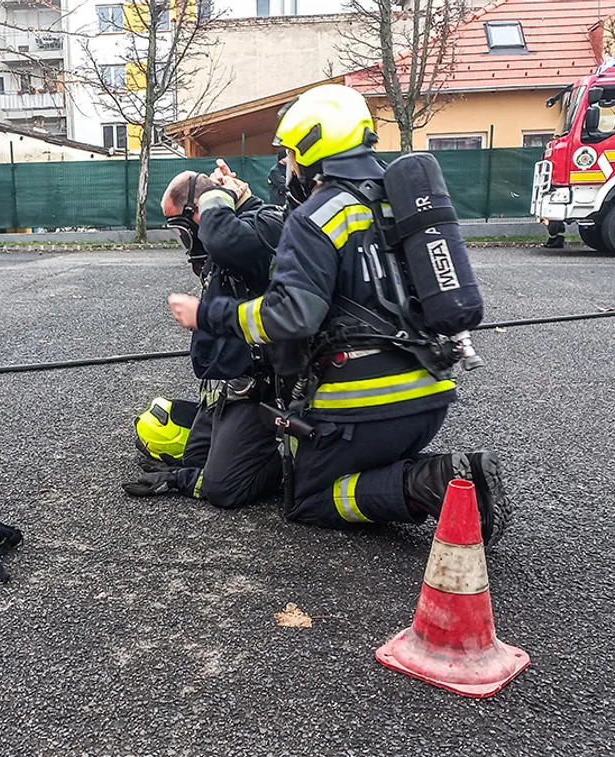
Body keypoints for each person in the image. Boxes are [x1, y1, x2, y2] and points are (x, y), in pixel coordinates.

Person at [164, 84, 512, 545]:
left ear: (311, 147)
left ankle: (432, 481)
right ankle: (425, 473)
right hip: (430, 399)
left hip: (365, 408)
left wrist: (209, 314)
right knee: (345, 467)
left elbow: (292, 316)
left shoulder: (319, 214)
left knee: (308, 498)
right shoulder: (400, 200)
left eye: (289, 153)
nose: (286, 165)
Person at [124, 161, 286, 509]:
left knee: (222, 487)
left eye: (184, 231)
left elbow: (231, 239)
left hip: (259, 391)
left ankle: (290, 466)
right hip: (226, 389)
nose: (187, 243)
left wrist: (220, 198)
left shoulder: (253, 231)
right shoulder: (226, 238)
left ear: (200, 212)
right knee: (195, 461)